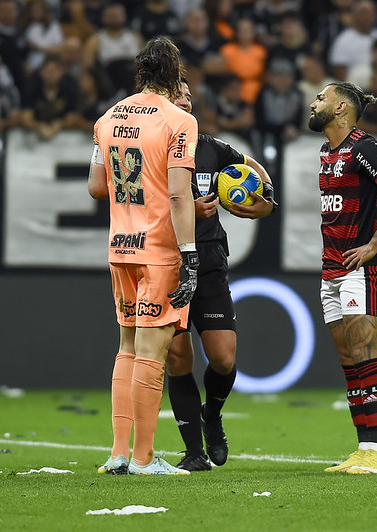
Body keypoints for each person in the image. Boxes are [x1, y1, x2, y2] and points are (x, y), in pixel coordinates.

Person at [88, 36, 199, 476]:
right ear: (174, 74)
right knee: (153, 353)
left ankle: (118, 453)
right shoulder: (179, 121)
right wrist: (189, 254)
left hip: (120, 247)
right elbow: (178, 194)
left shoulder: (106, 118)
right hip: (159, 250)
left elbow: (97, 187)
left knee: (127, 348)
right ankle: (145, 458)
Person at [165, 79, 277, 472]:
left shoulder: (212, 148)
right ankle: (193, 451)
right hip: (166, 261)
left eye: (189, 97)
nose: (185, 101)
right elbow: (136, 207)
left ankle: (211, 415)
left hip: (209, 260)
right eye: (176, 96)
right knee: (178, 357)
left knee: (224, 359)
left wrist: (266, 199)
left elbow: (251, 167)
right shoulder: (150, 152)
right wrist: (184, 212)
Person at [308, 81, 377, 474]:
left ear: (340, 108)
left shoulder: (364, 146)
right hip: (332, 269)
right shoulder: (326, 151)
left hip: (362, 268)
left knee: (365, 353)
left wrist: (373, 245)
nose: (314, 102)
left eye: (321, 97)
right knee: (348, 360)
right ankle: (361, 448)